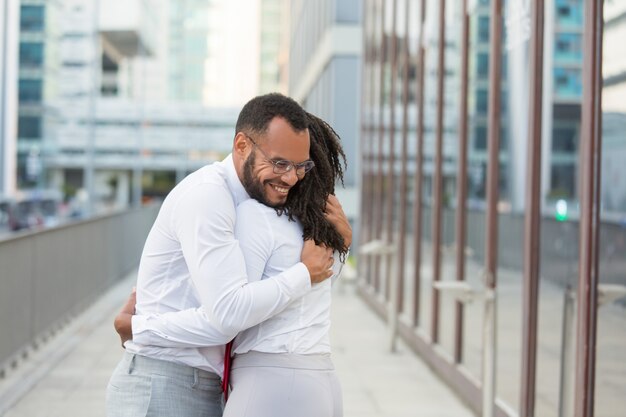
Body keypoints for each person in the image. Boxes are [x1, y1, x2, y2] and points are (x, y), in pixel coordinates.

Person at [106, 93, 351, 417]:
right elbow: (228, 314)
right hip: (165, 379)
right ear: (241, 146)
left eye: (299, 166)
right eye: (280, 163)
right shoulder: (210, 197)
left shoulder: (259, 210)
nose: (290, 178)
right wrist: (139, 328)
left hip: (202, 382)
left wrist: (339, 244)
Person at [222, 111, 348, 417]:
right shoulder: (317, 225)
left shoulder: (257, 216)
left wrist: (144, 326)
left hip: (272, 380)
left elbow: (234, 310)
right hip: (321, 378)